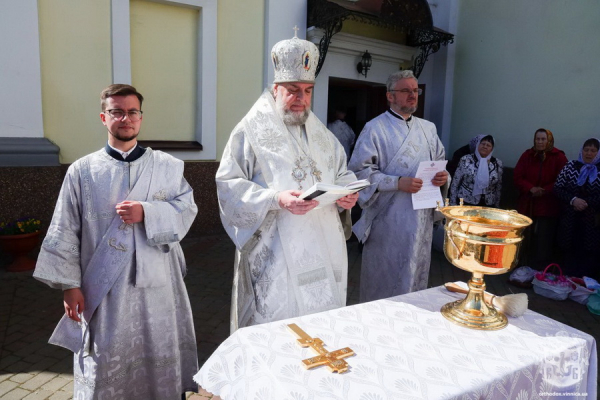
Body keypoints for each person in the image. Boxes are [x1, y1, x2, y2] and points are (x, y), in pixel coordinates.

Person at [33, 84, 199, 399]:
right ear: (103, 117)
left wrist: (148, 212)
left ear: (141, 117)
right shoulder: (82, 171)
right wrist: (69, 285)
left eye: (132, 111)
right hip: (105, 289)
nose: (126, 118)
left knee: (157, 362)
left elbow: (187, 209)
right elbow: (64, 228)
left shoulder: (167, 167)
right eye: (117, 112)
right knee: (103, 363)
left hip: (159, 290)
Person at [216, 34, 358, 332]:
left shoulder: (324, 135)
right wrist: (276, 199)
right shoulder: (249, 132)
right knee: (279, 325)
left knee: (322, 324)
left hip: (325, 245)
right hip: (276, 249)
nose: (301, 98)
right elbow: (228, 183)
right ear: (276, 89)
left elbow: (343, 173)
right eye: (293, 90)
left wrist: (348, 195)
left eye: (308, 91)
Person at [348, 70, 448, 302]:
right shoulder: (374, 128)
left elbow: (439, 164)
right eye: (406, 91)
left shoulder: (428, 129)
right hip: (388, 221)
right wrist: (396, 182)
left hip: (420, 220)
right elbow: (358, 173)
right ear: (390, 96)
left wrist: (443, 178)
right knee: (384, 283)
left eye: (415, 90)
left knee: (415, 281)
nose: (413, 95)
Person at [513, 128, 567, 268]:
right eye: (538, 139)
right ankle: (519, 266)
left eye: (543, 139)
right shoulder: (527, 155)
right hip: (528, 203)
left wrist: (545, 190)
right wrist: (530, 188)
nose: (540, 142)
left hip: (547, 205)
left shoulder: (558, 157)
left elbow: (563, 179)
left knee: (544, 239)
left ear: (549, 140)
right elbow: (517, 176)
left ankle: (540, 270)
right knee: (524, 236)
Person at [554, 138, 600, 279]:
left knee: (588, 252)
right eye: (586, 150)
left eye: (593, 151)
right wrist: (573, 200)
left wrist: (586, 203)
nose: (589, 153)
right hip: (569, 217)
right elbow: (557, 188)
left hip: (591, 220)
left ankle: (583, 282)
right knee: (568, 249)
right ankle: (566, 279)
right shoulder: (571, 166)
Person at [450, 135, 503, 207]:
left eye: (488, 145)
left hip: (488, 204)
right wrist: (452, 203)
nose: (485, 146)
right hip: (465, 201)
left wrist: (497, 206)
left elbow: (498, 186)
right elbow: (455, 182)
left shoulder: (497, 163)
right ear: (478, 145)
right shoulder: (466, 159)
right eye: (483, 144)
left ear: (492, 149)